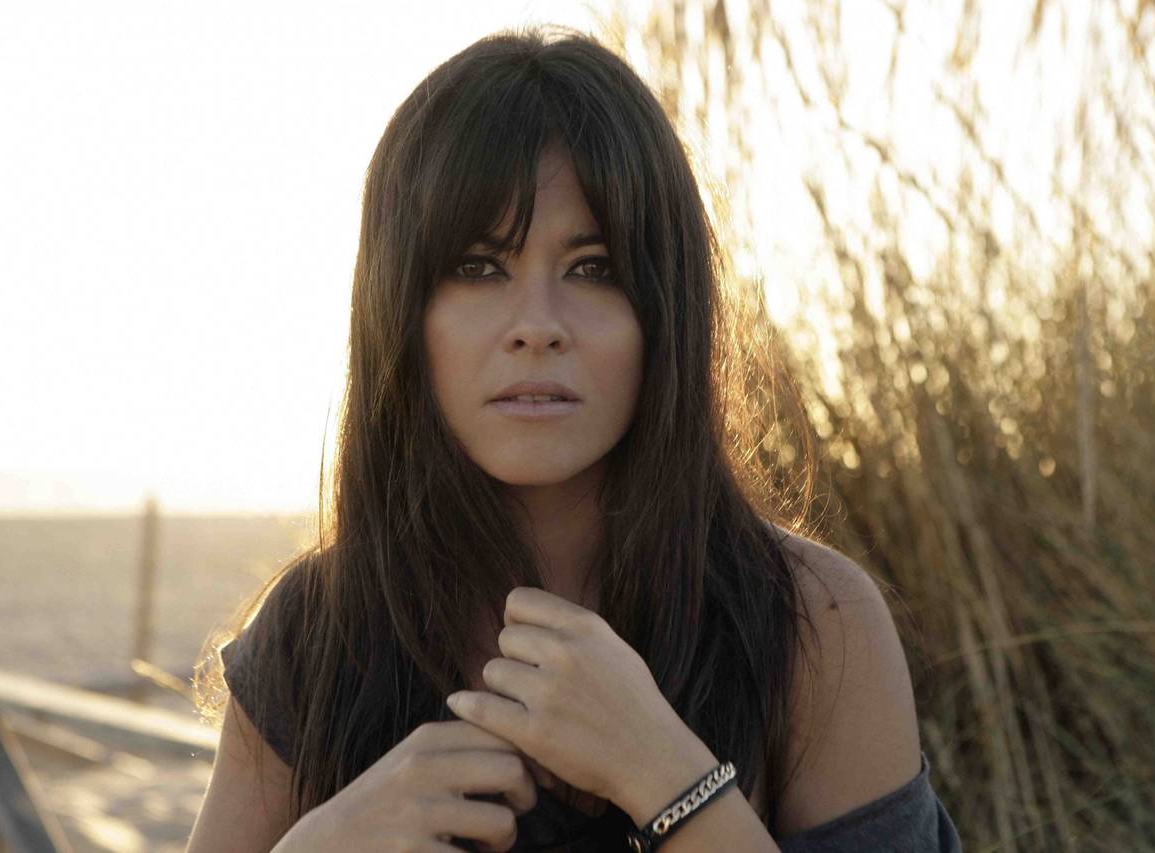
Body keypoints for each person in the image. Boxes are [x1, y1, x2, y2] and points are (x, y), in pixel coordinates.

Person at [187, 25, 961, 853]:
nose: (537, 325)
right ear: (401, 312)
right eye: (479, 267)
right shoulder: (317, 630)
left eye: (594, 268)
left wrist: (664, 773)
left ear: (665, 308)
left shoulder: (813, 620)